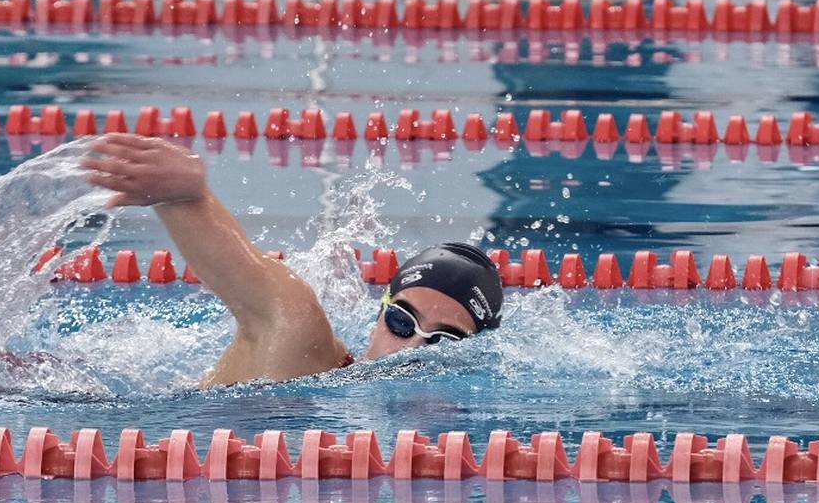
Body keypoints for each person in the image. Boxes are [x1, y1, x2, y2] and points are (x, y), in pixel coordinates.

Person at [81, 133, 505, 387]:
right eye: (400, 322)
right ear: (379, 314)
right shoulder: (303, 350)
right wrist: (186, 199)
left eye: (443, 341)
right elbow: (257, 284)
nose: (411, 347)